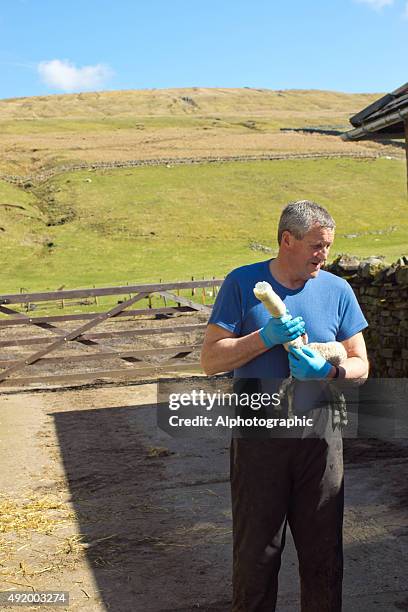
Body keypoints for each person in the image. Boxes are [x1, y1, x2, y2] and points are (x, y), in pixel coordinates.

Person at [200, 200, 369, 612]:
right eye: (316, 245)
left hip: (321, 441)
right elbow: (210, 359)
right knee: (257, 555)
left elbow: (361, 363)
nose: (323, 255)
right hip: (259, 440)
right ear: (287, 240)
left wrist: (329, 374)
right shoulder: (243, 283)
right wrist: (265, 337)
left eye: (327, 246)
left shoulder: (337, 290)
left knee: (323, 556)